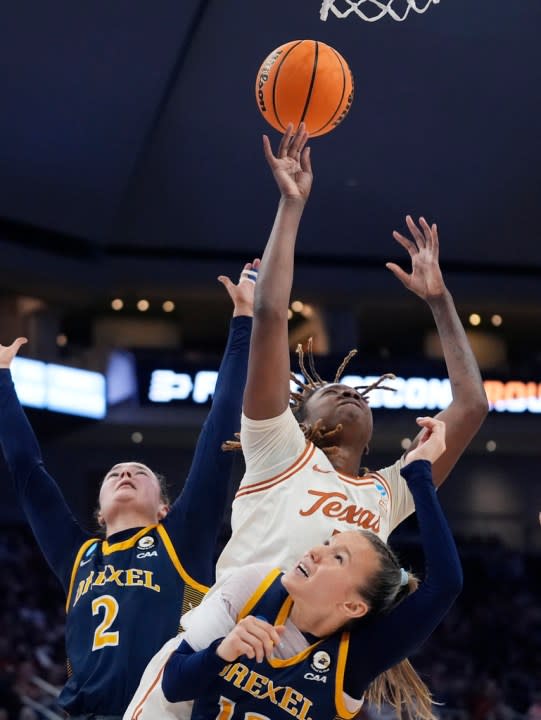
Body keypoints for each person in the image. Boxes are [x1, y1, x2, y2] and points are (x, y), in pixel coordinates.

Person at [213, 122, 488, 583]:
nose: (349, 392)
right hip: (244, 640)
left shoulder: (387, 492)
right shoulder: (276, 447)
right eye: (333, 390)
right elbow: (271, 312)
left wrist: (440, 302)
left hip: (323, 650)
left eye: (354, 391)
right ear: (299, 422)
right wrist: (291, 204)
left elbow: (472, 405)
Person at [0, 261, 258, 719]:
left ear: (164, 506)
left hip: (166, 710)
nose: (124, 473)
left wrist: (243, 323)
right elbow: (28, 472)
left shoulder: (179, 539)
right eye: (115, 473)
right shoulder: (78, 557)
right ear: (98, 511)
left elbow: (221, 424)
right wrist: (1, 380)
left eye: (139, 472)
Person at [160, 415, 463, 720]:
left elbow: (445, 584)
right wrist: (221, 651)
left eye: (339, 558)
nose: (317, 551)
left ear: (353, 606)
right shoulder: (254, 587)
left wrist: (419, 471)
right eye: (329, 545)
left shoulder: (353, 659)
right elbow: (173, 685)